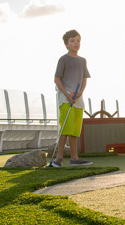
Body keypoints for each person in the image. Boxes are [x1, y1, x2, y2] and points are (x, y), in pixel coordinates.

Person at [49, 30, 92, 167]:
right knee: (65, 129)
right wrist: (67, 94)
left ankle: (75, 158)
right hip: (65, 98)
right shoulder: (63, 59)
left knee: (74, 130)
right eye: (72, 41)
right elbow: (57, 79)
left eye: (78, 40)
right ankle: (58, 158)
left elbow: (85, 80)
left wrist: (80, 92)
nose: (76, 43)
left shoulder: (82, 61)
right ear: (66, 44)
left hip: (78, 99)